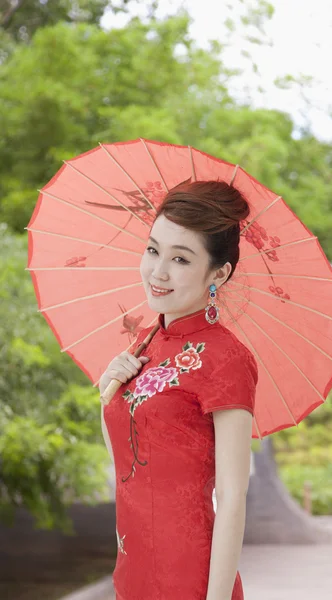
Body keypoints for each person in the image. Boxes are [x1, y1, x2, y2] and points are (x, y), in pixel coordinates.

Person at [99, 180, 258, 600]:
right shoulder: (144, 344)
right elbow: (125, 465)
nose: (158, 272)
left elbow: (233, 495)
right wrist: (107, 393)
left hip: (187, 578)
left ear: (218, 273)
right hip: (132, 570)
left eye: (181, 259)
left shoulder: (227, 357)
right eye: (153, 250)